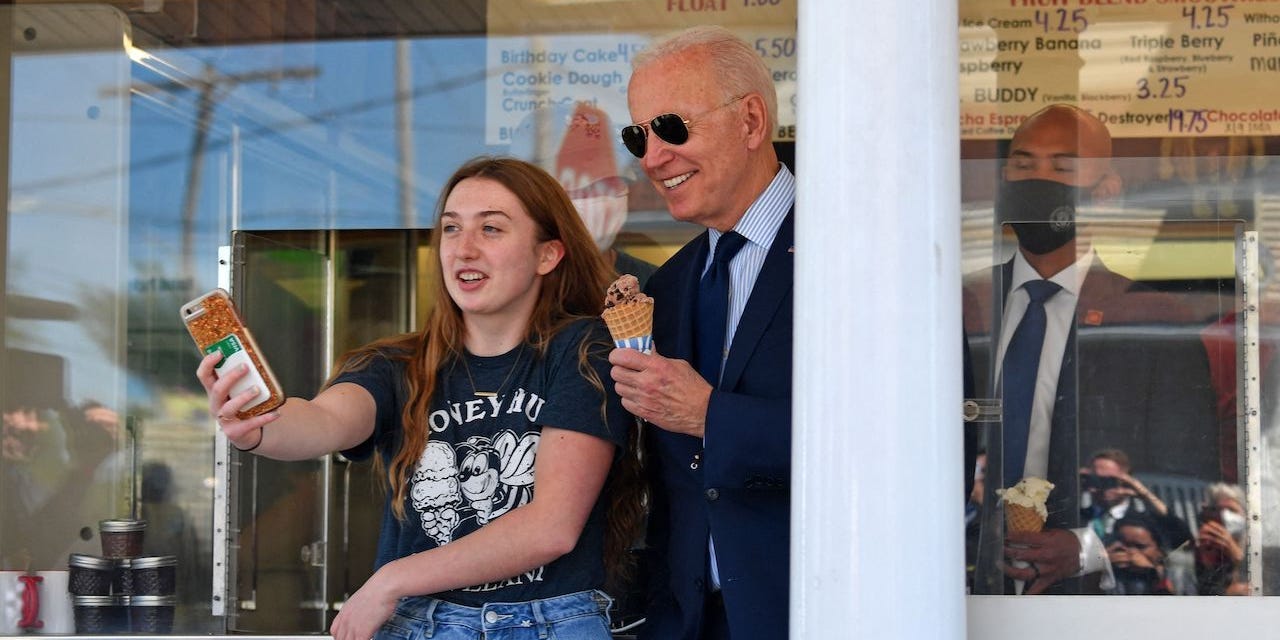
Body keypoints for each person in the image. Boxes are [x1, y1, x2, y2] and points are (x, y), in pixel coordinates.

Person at [197, 157, 644, 640]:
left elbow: (551, 528)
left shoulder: (584, 351)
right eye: (451, 230)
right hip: (417, 625)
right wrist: (259, 422)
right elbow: (324, 421)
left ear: (547, 255)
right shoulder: (395, 364)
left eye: (491, 229)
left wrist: (392, 579)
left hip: (546, 623)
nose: (464, 249)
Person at [962, 104, 1217, 595]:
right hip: (955, 596)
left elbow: (1192, 490)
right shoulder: (958, 310)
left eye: (1062, 167)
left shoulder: (1153, 326)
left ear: (1107, 192)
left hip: (1094, 604)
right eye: (1022, 164)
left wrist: (1086, 548)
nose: (1038, 180)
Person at [607, 25, 793, 640]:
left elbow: (902, 439)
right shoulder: (669, 286)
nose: (652, 157)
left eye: (673, 128)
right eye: (638, 135)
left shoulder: (858, 251)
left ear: (749, 121)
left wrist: (713, 415)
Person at [510, 101, 658, 288]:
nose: (598, 198)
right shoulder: (509, 293)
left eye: (610, 182)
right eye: (574, 186)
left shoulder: (659, 287)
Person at [1080, 449, 1189, 551]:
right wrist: (1074, 482)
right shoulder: (1080, 516)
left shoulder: (1142, 520)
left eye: (1110, 481)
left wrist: (1143, 493)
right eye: (1096, 480)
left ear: (1127, 481)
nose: (1102, 487)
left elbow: (1181, 537)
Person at [1193, 482, 1247, 595]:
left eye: (1232, 510)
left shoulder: (1259, 547)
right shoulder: (1208, 544)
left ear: (1245, 515)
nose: (1224, 515)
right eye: (1219, 510)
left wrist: (1235, 553)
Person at [1106, 513, 1175, 595]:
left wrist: (1152, 574)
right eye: (1125, 545)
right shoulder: (1111, 576)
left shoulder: (1178, 575)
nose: (1131, 552)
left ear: (1160, 550)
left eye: (1140, 547)